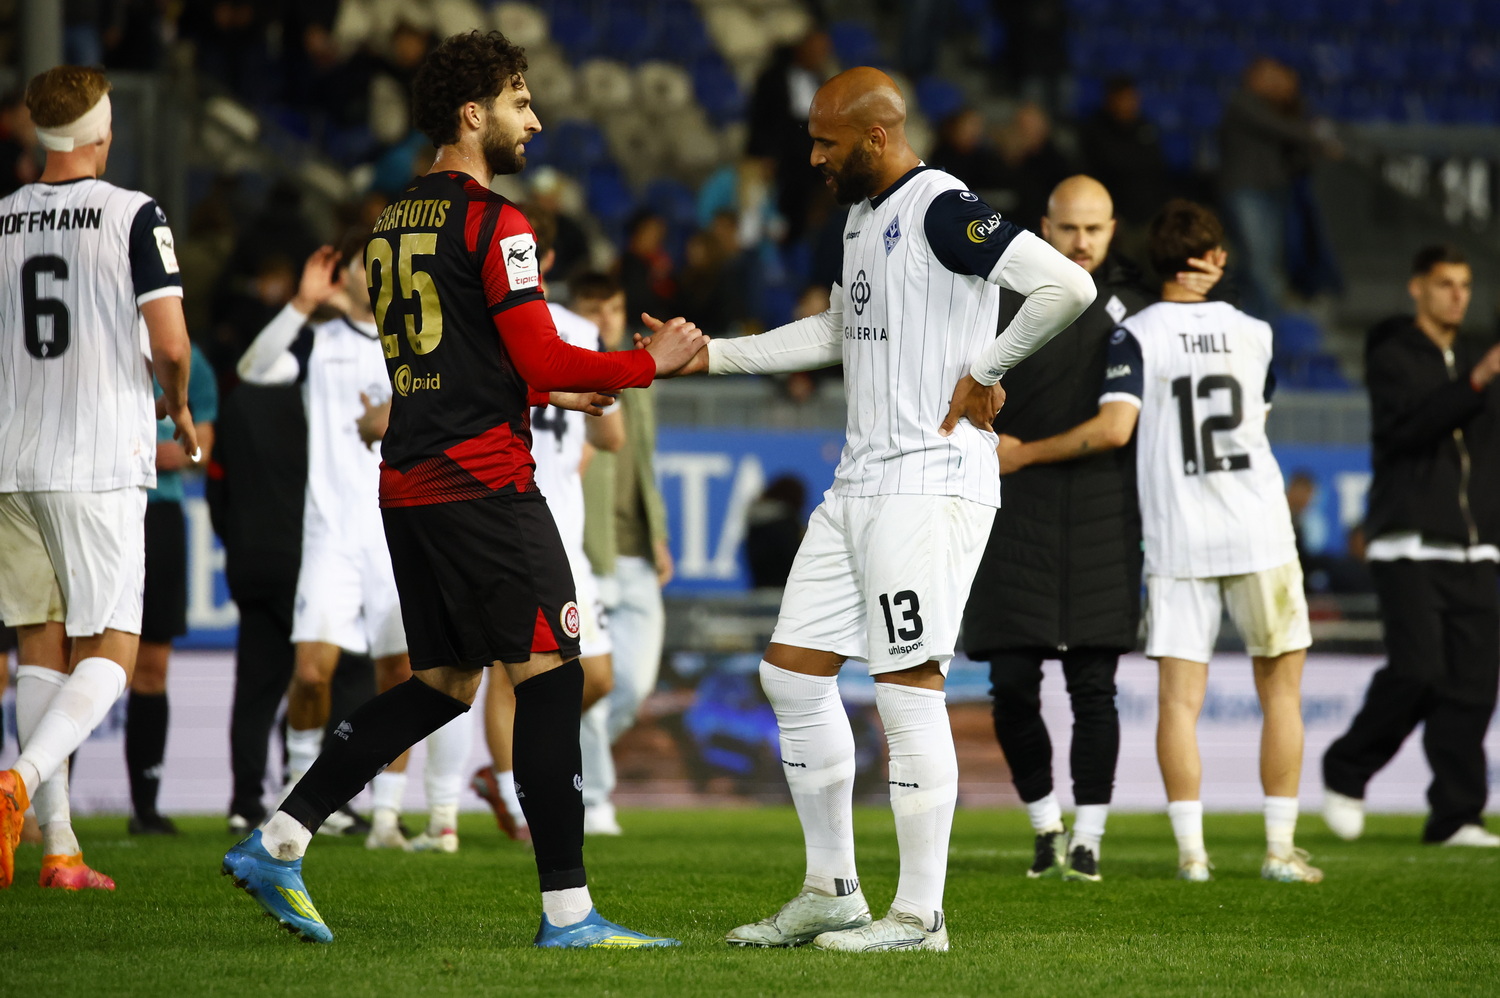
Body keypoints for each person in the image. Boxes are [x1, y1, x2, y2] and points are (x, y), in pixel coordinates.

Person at [220, 29, 707, 946]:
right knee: (553, 679)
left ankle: (278, 839)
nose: (536, 120)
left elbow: (456, 361)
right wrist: (652, 361)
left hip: (411, 484)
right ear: (474, 114)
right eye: (522, 101)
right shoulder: (497, 223)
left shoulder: (389, 223)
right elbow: (536, 350)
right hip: (484, 484)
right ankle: (570, 914)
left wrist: (547, 391)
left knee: (442, 684)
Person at [653, 67, 1095, 951]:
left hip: (929, 480)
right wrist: (716, 357)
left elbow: (1065, 287)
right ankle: (833, 892)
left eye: (827, 142)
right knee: (791, 675)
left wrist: (987, 369)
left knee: (906, 687)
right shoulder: (861, 218)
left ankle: (921, 916)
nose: (814, 157)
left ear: (877, 137)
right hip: (860, 482)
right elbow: (835, 332)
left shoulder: (941, 206)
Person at [999, 199, 1321, 884]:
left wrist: (1023, 454)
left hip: (1179, 534)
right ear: (1218, 260)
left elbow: (1116, 427)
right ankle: (1278, 850)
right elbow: (1256, 415)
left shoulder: (1136, 333)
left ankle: (1193, 857)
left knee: (1179, 701)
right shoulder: (1257, 332)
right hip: (1259, 527)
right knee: (1282, 695)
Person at [965, 175, 1220, 883]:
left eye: (1095, 229)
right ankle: (1045, 825)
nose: (1081, 241)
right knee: (1012, 683)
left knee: (1094, 688)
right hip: (1010, 511)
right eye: (1069, 228)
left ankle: (1090, 839)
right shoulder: (1000, 299)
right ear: (1044, 227)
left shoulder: (1138, 309)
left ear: (1113, 231)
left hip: (1104, 512)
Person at [0, 64, 198, 889]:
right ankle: (16, 782)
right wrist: (177, 406)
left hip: (13, 461)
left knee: (40, 648)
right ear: (103, 131)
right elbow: (172, 343)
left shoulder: (2, 218)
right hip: (97, 460)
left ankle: (60, 848)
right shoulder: (132, 214)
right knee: (113, 648)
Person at [236, 235, 476, 853]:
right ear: (344, 275)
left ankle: (387, 816)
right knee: (311, 673)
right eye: (359, 263)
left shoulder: (419, 343)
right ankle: (296, 797)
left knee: (402, 674)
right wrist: (300, 304)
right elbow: (253, 369)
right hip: (331, 535)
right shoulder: (317, 340)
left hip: (400, 529)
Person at [1322, 245, 1500, 848]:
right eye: (1445, 283)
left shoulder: (1476, 356)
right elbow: (1405, 430)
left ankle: (1456, 816)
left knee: (1473, 688)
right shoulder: (1393, 354)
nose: (1457, 295)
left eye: (1465, 284)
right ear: (1416, 288)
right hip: (1408, 542)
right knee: (1418, 671)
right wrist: (1475, 382)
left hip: (1476, 548)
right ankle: (1347, 767)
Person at [471, 210, 625, 843]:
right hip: (514, 516)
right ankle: (515, 797)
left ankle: (505, 770)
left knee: (597, 676)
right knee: (513, 668)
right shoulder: (490, 322)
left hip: (567, 525)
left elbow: (610, 435)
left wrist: (604, 386)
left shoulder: (582, 330)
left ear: (546, 261)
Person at [576, 270, 674, 837]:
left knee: (633, 686)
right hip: (588, 551)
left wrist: (657, 533)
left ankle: (552, 762)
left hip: (635, 549)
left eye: (613, 308)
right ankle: (594, 799)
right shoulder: (564, 372)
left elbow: (643, 461)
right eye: (594, 308)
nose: (605, 319)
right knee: (596, 682)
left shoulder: (637, 377)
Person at [125, 341, 218, 835]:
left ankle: (146, 809)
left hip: (159, 514)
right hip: (103, 507)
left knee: (152, 666)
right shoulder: (98, 339)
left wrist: (169, 453)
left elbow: (200, 448)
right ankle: (53, 812)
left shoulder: (187, 359)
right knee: (74, 658)